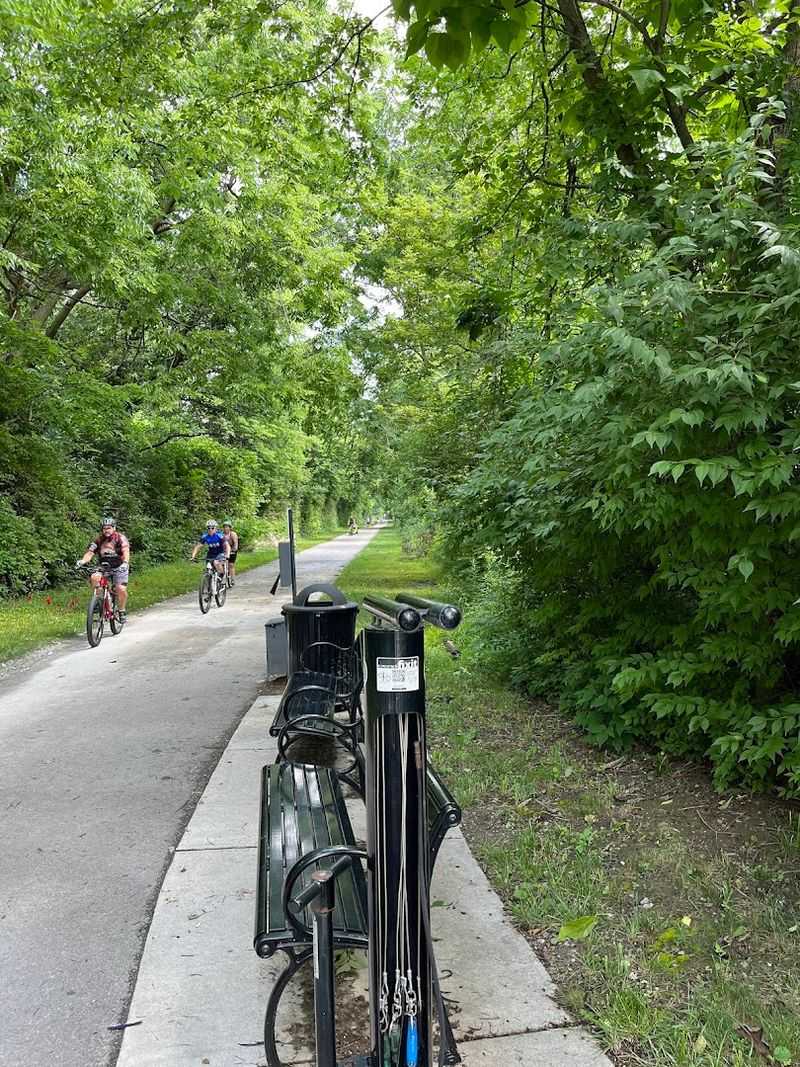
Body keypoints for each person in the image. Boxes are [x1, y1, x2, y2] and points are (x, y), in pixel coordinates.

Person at [77, 516, 131, 620]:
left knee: (121, 589)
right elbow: (89, 553)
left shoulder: (120, 538)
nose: (106, 530)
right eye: (104, 528)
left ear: (114, 528)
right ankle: (99, 602)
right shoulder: (98, 540)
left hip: (119, 566)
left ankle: (121, 610)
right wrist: (82, 561)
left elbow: (126, 552)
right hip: (104, 566)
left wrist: (125, 563)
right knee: (94, 577)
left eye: (109, 528)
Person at [222, 521, 239, 585]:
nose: (225, 528)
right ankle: (222, 577)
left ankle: (232, 579)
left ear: (230, 528)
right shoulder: (222, 534)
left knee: (231, 565)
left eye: (227, 527)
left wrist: (234, 549)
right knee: (223, 564)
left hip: (232, 550)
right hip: (224, 551)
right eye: (224, 527)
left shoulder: (233, 534)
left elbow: (235, 543)